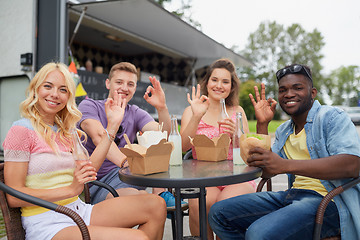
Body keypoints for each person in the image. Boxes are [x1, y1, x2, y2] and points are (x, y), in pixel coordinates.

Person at [2, 62, 166, 240]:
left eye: (63, 90)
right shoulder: (21, 130)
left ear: (68, 96)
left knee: (156, 204)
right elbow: (14, 196)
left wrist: (112, 127)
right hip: (47, 223)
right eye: (48, 86)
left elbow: (89, 170)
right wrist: (70, 190)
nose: (55, 94)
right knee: (139, 238)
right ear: (35, 89)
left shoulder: (67, 131)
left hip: (79, 211)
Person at [208, 64, 360, 239]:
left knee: (258, 233)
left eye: (297, 88)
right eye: (283, 90)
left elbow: (352, 165)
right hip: (292, 196)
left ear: (312, 92)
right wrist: (262, 124)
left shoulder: (331, 117)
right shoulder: (283, 130)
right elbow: (266, 170)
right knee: (219, 213)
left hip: (329, 201)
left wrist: (286, 165)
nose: (289, 94)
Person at [77, 61, 186, 210]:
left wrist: (162, 108)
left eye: (130, 84)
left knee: (158, 150)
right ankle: (159, 200)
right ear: (108, 83)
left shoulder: (135, 112)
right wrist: (126, 163)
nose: (124, 88)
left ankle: (161, 194)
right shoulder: (90, 105)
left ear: (135, 88)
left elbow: (163, 136)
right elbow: (99, 137)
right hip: (99, 183)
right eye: (119, 82)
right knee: (148, 203)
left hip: (130, 175)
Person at [180, 58, 256, 239]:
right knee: (199, 204)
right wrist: (197, 116)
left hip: (237, 176)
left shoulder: (237, 111)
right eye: (215, 80)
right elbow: (183, 147)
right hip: (204, 177)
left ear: (231, 86)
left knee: (224, 206)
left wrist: (237, 134)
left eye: (225, 81)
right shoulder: (191, 110)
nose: (219, 85)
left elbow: (249, 151)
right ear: (207, 82)